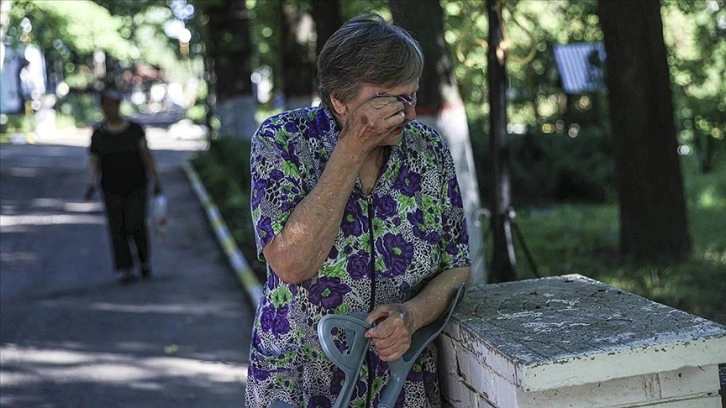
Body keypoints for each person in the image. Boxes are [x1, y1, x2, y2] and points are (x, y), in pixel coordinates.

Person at [246, 13, 471, 408]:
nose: (410, 114)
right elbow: (292, 264)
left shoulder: (428, 150)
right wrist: (352, 148)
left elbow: (458, 265)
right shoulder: (282, 141)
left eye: (412, 96)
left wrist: (412, 315)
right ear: (340, 100)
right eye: (393, 100)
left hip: (402, 384)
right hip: (302, 381)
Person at [85, 87, 162, 284]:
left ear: (118, 106)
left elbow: (146, 155)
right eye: (105, 105)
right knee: (117, 228)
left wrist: (156, 179)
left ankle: (144, 261)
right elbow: (95, 160)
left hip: (137, 185)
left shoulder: (134, 130)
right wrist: (91, 181)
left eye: (111, 104)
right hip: (111, 188)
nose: (108, 109)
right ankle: (127, 268)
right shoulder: (99, 134)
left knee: (135, 223)